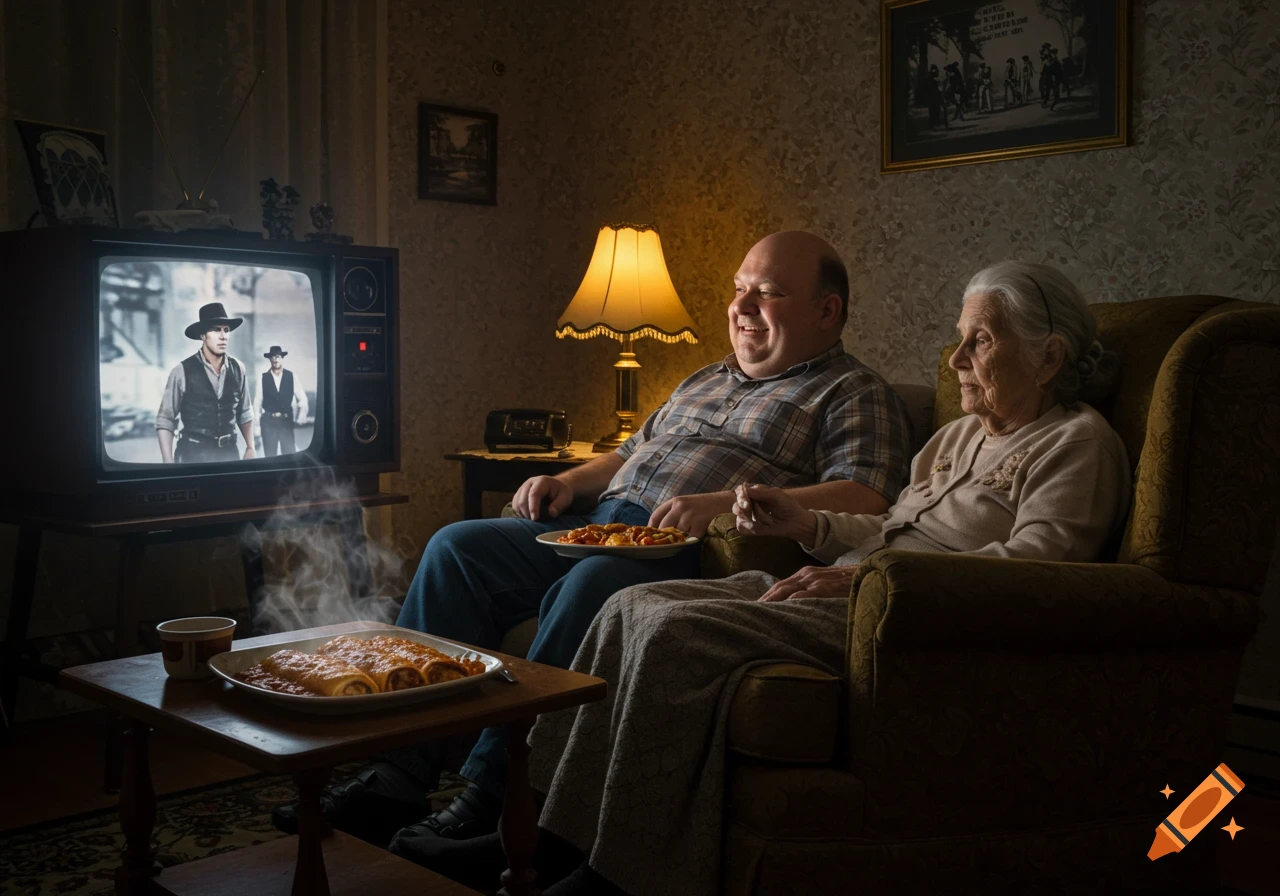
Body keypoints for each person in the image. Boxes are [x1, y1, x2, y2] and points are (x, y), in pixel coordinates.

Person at [416, 261, 1131, 895]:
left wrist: (862, 584)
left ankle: (600, 870)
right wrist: (803, 524)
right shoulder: (957, 437)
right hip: (848, 579)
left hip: (898, 610)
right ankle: (531, 831)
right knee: (630, 606)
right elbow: (888, 528)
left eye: (980, 340)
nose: (955, 360)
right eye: (960, 337)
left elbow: (1040, 571)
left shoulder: (1077, 443)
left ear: (1049, 359)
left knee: (666, 626)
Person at [273, 231, 913, 847]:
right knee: (455, 546)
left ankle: (496, 796)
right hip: (598, 522)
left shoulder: (852, 392)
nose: (740, 307)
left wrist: (721, 506)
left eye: (766, 292)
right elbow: (631, 452)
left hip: (692, 551)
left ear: (827, 311)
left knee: (592, 583)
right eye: (739, 288)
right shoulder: (704, 378)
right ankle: (395, 776)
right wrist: (568, 480)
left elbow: (865, 497)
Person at [156, 302, 254, 463]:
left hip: (229, 454)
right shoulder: (181, 371)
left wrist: (250, 447)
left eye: (226, 330)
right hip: (193, 455)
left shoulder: (238, 368)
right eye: (216, 329)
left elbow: (245, 412)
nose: (223, 336)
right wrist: (168, 461)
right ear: (202, 336)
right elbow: (165, 419)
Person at [255, 345, 308, 457]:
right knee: (270, 457)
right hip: (268, 423)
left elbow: (302, 399)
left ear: (282, 358)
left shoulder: (291, 376)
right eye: (273, 357)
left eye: (278, 356)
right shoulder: (263, 378)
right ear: (270, 359)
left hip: (286, 422)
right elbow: (257, 403)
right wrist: (257, 429)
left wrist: (301, 418)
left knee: (289, 456)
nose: (276, 360)